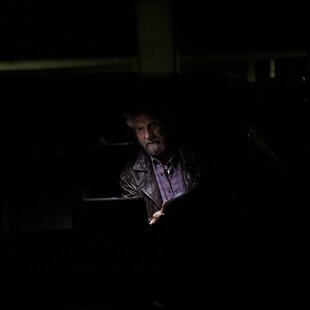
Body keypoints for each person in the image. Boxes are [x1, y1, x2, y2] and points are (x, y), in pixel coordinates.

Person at [119, 103, 201, 226]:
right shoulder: (130, 176)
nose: (148, 135)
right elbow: (134, 226)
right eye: (140, 129)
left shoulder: (197, 159)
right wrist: (153, 223)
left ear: (168, 125)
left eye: (154, 125)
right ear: (135, 135)